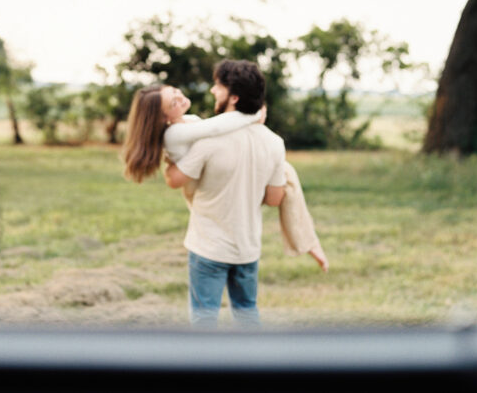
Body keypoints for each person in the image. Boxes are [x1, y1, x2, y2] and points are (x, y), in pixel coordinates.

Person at [122, 59, 328, 326]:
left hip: (208, 247)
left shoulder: (206, 142)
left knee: (204, 317)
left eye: (218, 86)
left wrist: (171, 168)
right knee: (247, 312)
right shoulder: (275, 143)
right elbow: (275, 199)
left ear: (233, 97)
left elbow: (176, 179)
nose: (211, 91)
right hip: (247, 248)